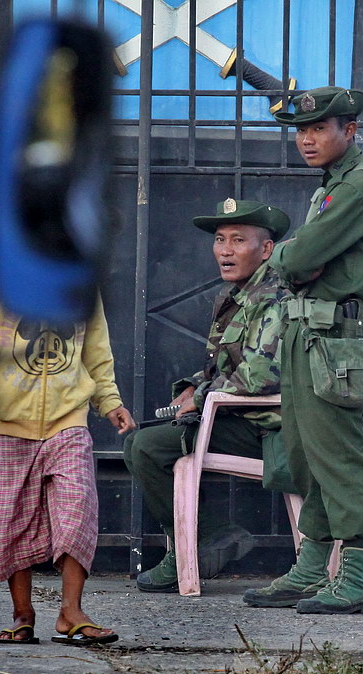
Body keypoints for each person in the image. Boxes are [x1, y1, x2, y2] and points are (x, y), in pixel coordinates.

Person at [243, 86, 363, 614]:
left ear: (349, 131)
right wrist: (300, 259)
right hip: (308, 336)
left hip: (336, 342)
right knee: (307, 456)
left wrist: (289, 254)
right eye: (302, 131)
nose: (307, 140)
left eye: (319, 130)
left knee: (341, 455)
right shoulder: (333, 185)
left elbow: (296, 258)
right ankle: (310, 568)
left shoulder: (358, 188)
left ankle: (354, 579)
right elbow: (304, 261)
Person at [0, 259, 136, 646]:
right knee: (11, 520)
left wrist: (109, 400)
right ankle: (22, 615)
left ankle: (71, 611)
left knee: (78, 507)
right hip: (6, 421)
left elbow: (96, 347)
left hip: (67, 418)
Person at [123, 199, 290, 593]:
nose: (225, 250)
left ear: (266, 249)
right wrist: (192, 385)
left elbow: (262, 375)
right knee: (137, 443)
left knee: (147, 447)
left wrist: (202, 395)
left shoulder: (275, 297)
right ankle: (208, 537)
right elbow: (230, 366)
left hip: (266, 429)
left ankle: (192, 548)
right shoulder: (238, 293)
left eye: (237, 240)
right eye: (219, 240)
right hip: (235, 417)